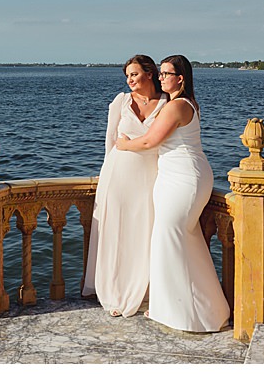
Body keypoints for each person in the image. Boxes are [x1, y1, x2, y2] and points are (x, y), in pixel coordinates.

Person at [116, 54, 230, 332]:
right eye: (160, 73)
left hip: (183, 179)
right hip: (179, 176)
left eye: (166, 74)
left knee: (169, 239)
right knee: (184, 240)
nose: (160, 77)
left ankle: (185, 313)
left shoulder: (176, 106)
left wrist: (123, 145)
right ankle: (202, 309)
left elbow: (149, 141)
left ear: (180, 78)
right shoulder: (184, 102)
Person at [82, 54, 167, 317]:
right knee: (116, 231)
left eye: (134, 74)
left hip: (150, 176)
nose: (130, 80)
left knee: (144, 230)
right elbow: (110, 141)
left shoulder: (167, 103)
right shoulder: (120, 102)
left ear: (149, 74)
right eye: (127, 76)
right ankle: (114, 290)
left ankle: (146, 288)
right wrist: (107, 176)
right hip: (118, 175)